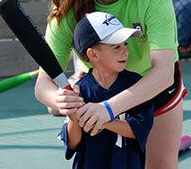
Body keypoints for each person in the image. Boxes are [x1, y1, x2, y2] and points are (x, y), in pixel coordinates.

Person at [35, 0, 187, 169]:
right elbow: (43, 85)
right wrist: (59, 100)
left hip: (153, 89)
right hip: (100, 94)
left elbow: (163, 74)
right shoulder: (68, 6)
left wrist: (108, 109)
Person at [59, 11, 153, 169]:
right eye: (117, 47)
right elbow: (73, 143)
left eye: (125, 45)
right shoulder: (80, 90)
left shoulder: (136, 85)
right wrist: (74, 116)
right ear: (93, 54)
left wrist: (105, 119)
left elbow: (138, 130)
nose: (125, 51)